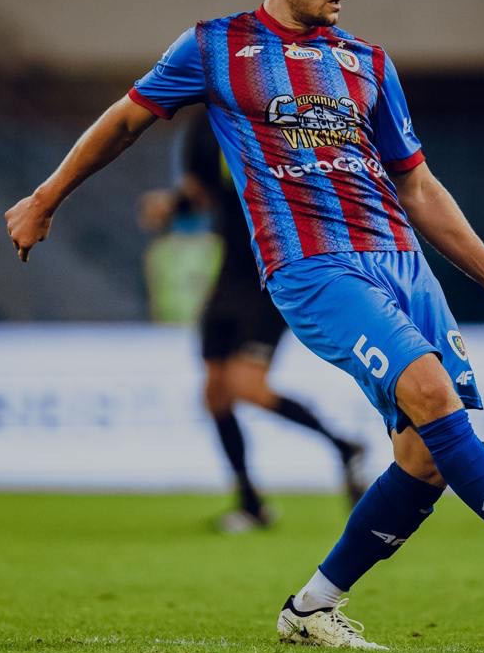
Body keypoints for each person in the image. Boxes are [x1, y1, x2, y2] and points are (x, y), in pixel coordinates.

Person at [5, 0, 484, 649]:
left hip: (402, 263)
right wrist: (46, 197)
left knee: (424, 456)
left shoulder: (368, 62)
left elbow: (417, 185)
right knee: (430, 392)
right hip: (313, 266)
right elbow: (125, 120)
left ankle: (312, 607)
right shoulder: (214, 47)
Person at [141, 112, 367, 532]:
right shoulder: (204, 125)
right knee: (215, 393)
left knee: (246, 385)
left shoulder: (277, 114)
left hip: (273, 274)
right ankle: (250, 504)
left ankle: (343, 446)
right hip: (230, 273)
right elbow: (201, 192)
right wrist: (172, 205)